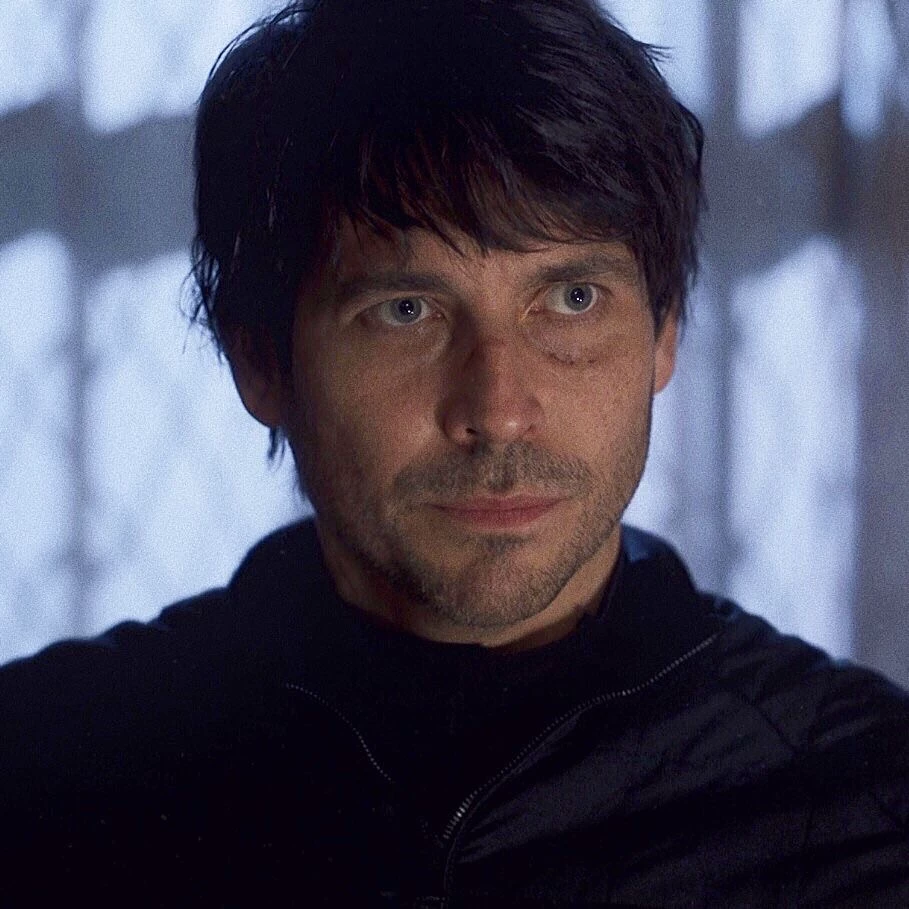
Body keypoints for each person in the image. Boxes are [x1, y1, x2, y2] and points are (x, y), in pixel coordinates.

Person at [2, 0, 907, 905]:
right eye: (406, 311)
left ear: (664, 332)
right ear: (260, 361)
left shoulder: (869, 809)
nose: (499, 412)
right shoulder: (44, 777)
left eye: (573, 299)